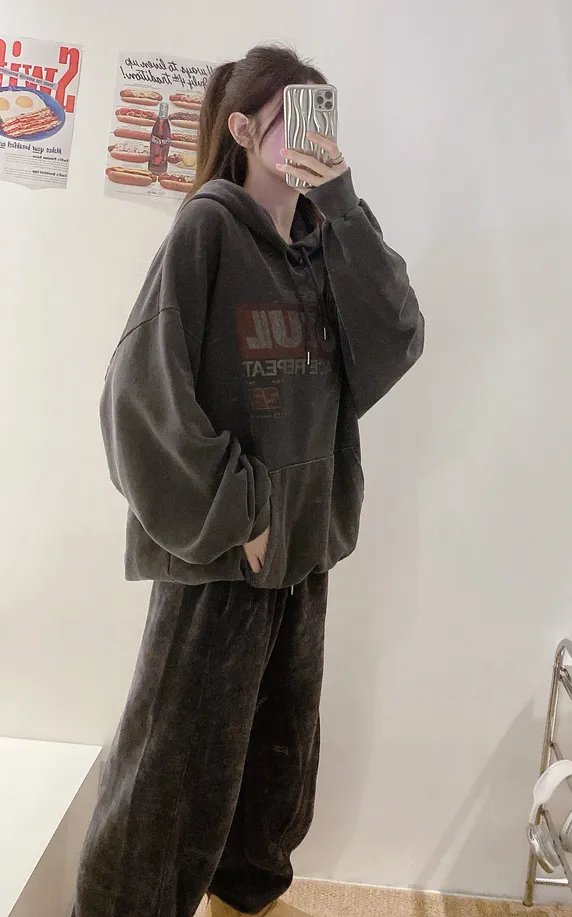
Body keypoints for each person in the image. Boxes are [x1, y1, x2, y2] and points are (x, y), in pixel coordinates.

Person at [74, 45, 424, 917]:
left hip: (303, 554)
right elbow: (136, 397)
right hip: (224, 558)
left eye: (323, 116)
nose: (314, 137)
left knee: (276, 767)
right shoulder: (208, 230)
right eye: (290, 118)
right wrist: (243, 511)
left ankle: (244, 899)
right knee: (167, 780)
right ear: (241, 128)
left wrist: (344, 205)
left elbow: (397, 336)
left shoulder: (328, 242)